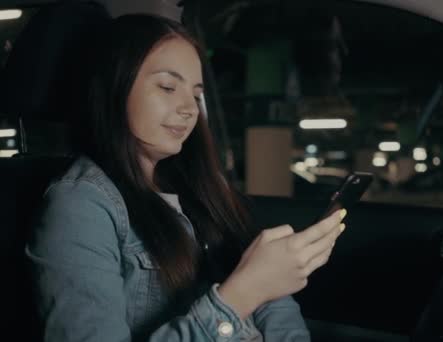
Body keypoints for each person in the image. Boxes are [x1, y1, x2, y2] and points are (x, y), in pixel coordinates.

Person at [25, 14, 346, 341]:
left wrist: (268, 283)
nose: (189, 108)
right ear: (114, 87)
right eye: (167, 87)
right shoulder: (80, 205)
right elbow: (253, 289)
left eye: (196, 94)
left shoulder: (201, 184)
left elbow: (275, 303)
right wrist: (245, 291)